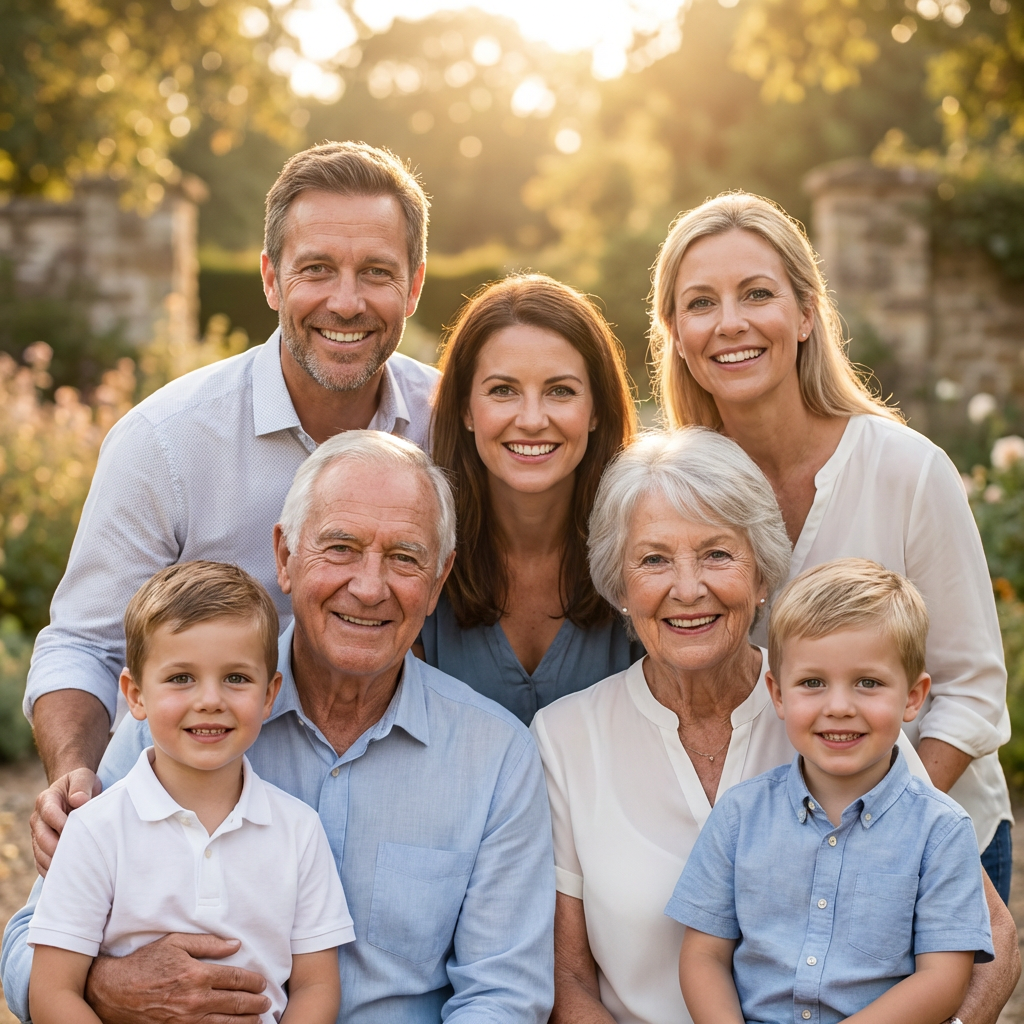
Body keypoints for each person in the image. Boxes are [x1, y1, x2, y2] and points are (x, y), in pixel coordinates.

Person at [3, 430, 554, 1024]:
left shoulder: (496, 756)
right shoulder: (177, 726)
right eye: (340, 548)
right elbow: (31, 946)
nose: (369, 588)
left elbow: (503, 997)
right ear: (285, 558)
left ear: (439, 580)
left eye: (404, 558)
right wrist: (108, 985)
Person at [27, 140, 441, 877]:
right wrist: (75, 773)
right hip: (202, 811)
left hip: (401, 794)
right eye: (316, 269)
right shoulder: (166, 443)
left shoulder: (454, 424)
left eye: (376, 273)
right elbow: (84, 644)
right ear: (271, 279)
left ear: (412, 288)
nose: (346, 301)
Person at [529, 429, 1017, 1024]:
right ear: (621, 585)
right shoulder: (564, 738)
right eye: (655, 559)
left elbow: (992, 939)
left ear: (762, 577)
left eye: (717, 554)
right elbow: (568, 981)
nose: (688, 588)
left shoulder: (834, 725)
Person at [648, 190, 1014, 899]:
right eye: (700, 303)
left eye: (757, 293)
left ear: (807, 313)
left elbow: (972, 688)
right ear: (676, 333)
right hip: (775, 863)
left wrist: (880, 825)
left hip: (934, 842)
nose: (730, 324)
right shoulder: (676, 496)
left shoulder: (907, 470)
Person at [27, 561, 354, 1024]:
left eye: (236, 678)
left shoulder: (299, 831)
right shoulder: (96, 831)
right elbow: (52, 993)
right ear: (135, 695)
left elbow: (316, 985)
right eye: (181, 677)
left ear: (269, 694)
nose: (210, 699)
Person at [670, 559, 993, 1024]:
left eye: (868, 683)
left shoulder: (940, 832)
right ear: (778, 695)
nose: (838, 707)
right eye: (813, 683)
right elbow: (704, 955)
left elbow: (943, 978)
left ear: (913, 697)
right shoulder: (740, 815)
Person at [419, 274, 640, 723]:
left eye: (560, 391)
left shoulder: (645, 552)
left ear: (596, 409)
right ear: (465, 409)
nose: (533, 419)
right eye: (503, 391)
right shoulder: (418, 559)